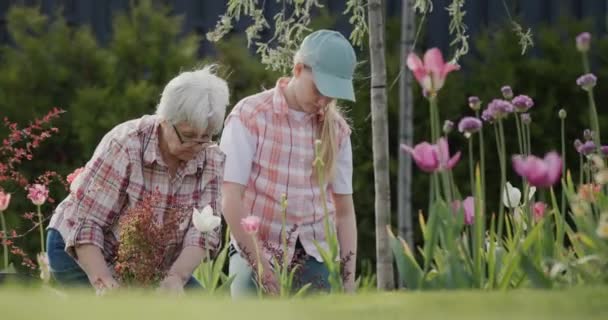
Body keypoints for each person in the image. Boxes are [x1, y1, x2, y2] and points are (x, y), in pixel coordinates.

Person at [46, 66, 229, 293]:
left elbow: (203, 231)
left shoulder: (210, 156)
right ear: (164, 120)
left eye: (206, 137)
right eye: (189, 136)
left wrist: (176, 278)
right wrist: (104, 283)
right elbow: (87, 223)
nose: (196, 146)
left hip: (146, 262)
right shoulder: (125, 144)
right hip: (79, 250)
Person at [219, 29, 358, 297]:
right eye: (319, 90)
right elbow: (230, 197)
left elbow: (344, 212)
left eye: (332, 95)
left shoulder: (337, 131)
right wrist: (261, 267)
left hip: (316, 255)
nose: (323, 101)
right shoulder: (249, 116)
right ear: (297, 69)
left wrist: (348, 282)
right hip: (257, 248)